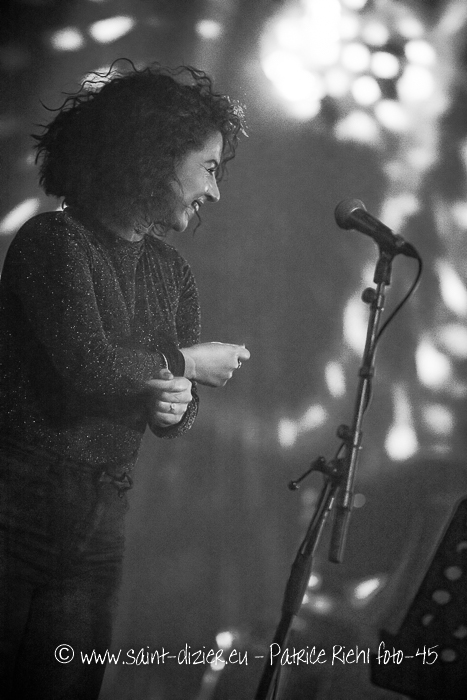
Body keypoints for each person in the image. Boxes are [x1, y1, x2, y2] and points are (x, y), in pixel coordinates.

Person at [0, 60, 250, 699]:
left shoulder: (172, 271)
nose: (215, 191)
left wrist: (175, 406)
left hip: (99, 518)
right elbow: (88, 362)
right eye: (208, 167)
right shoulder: (52, 239)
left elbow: (171, 408)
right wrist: (183, 365)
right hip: (14, 508)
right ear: (153, 156)